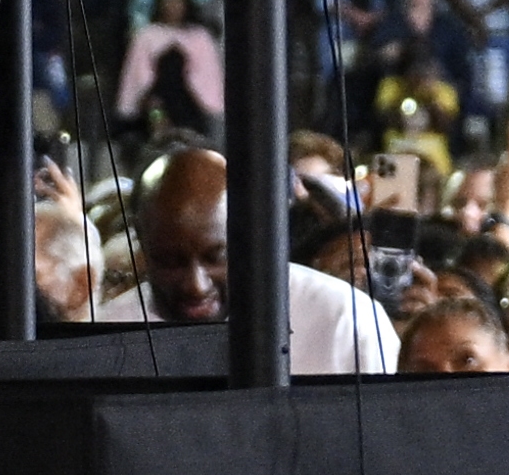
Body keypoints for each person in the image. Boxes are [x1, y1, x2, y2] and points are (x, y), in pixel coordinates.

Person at [100, 149, 401, 374]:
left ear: (249, 234)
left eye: (215, 258)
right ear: (141, 241)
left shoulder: (346, 322)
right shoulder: (104, 338)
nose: (195, 284)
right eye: (170, 262)